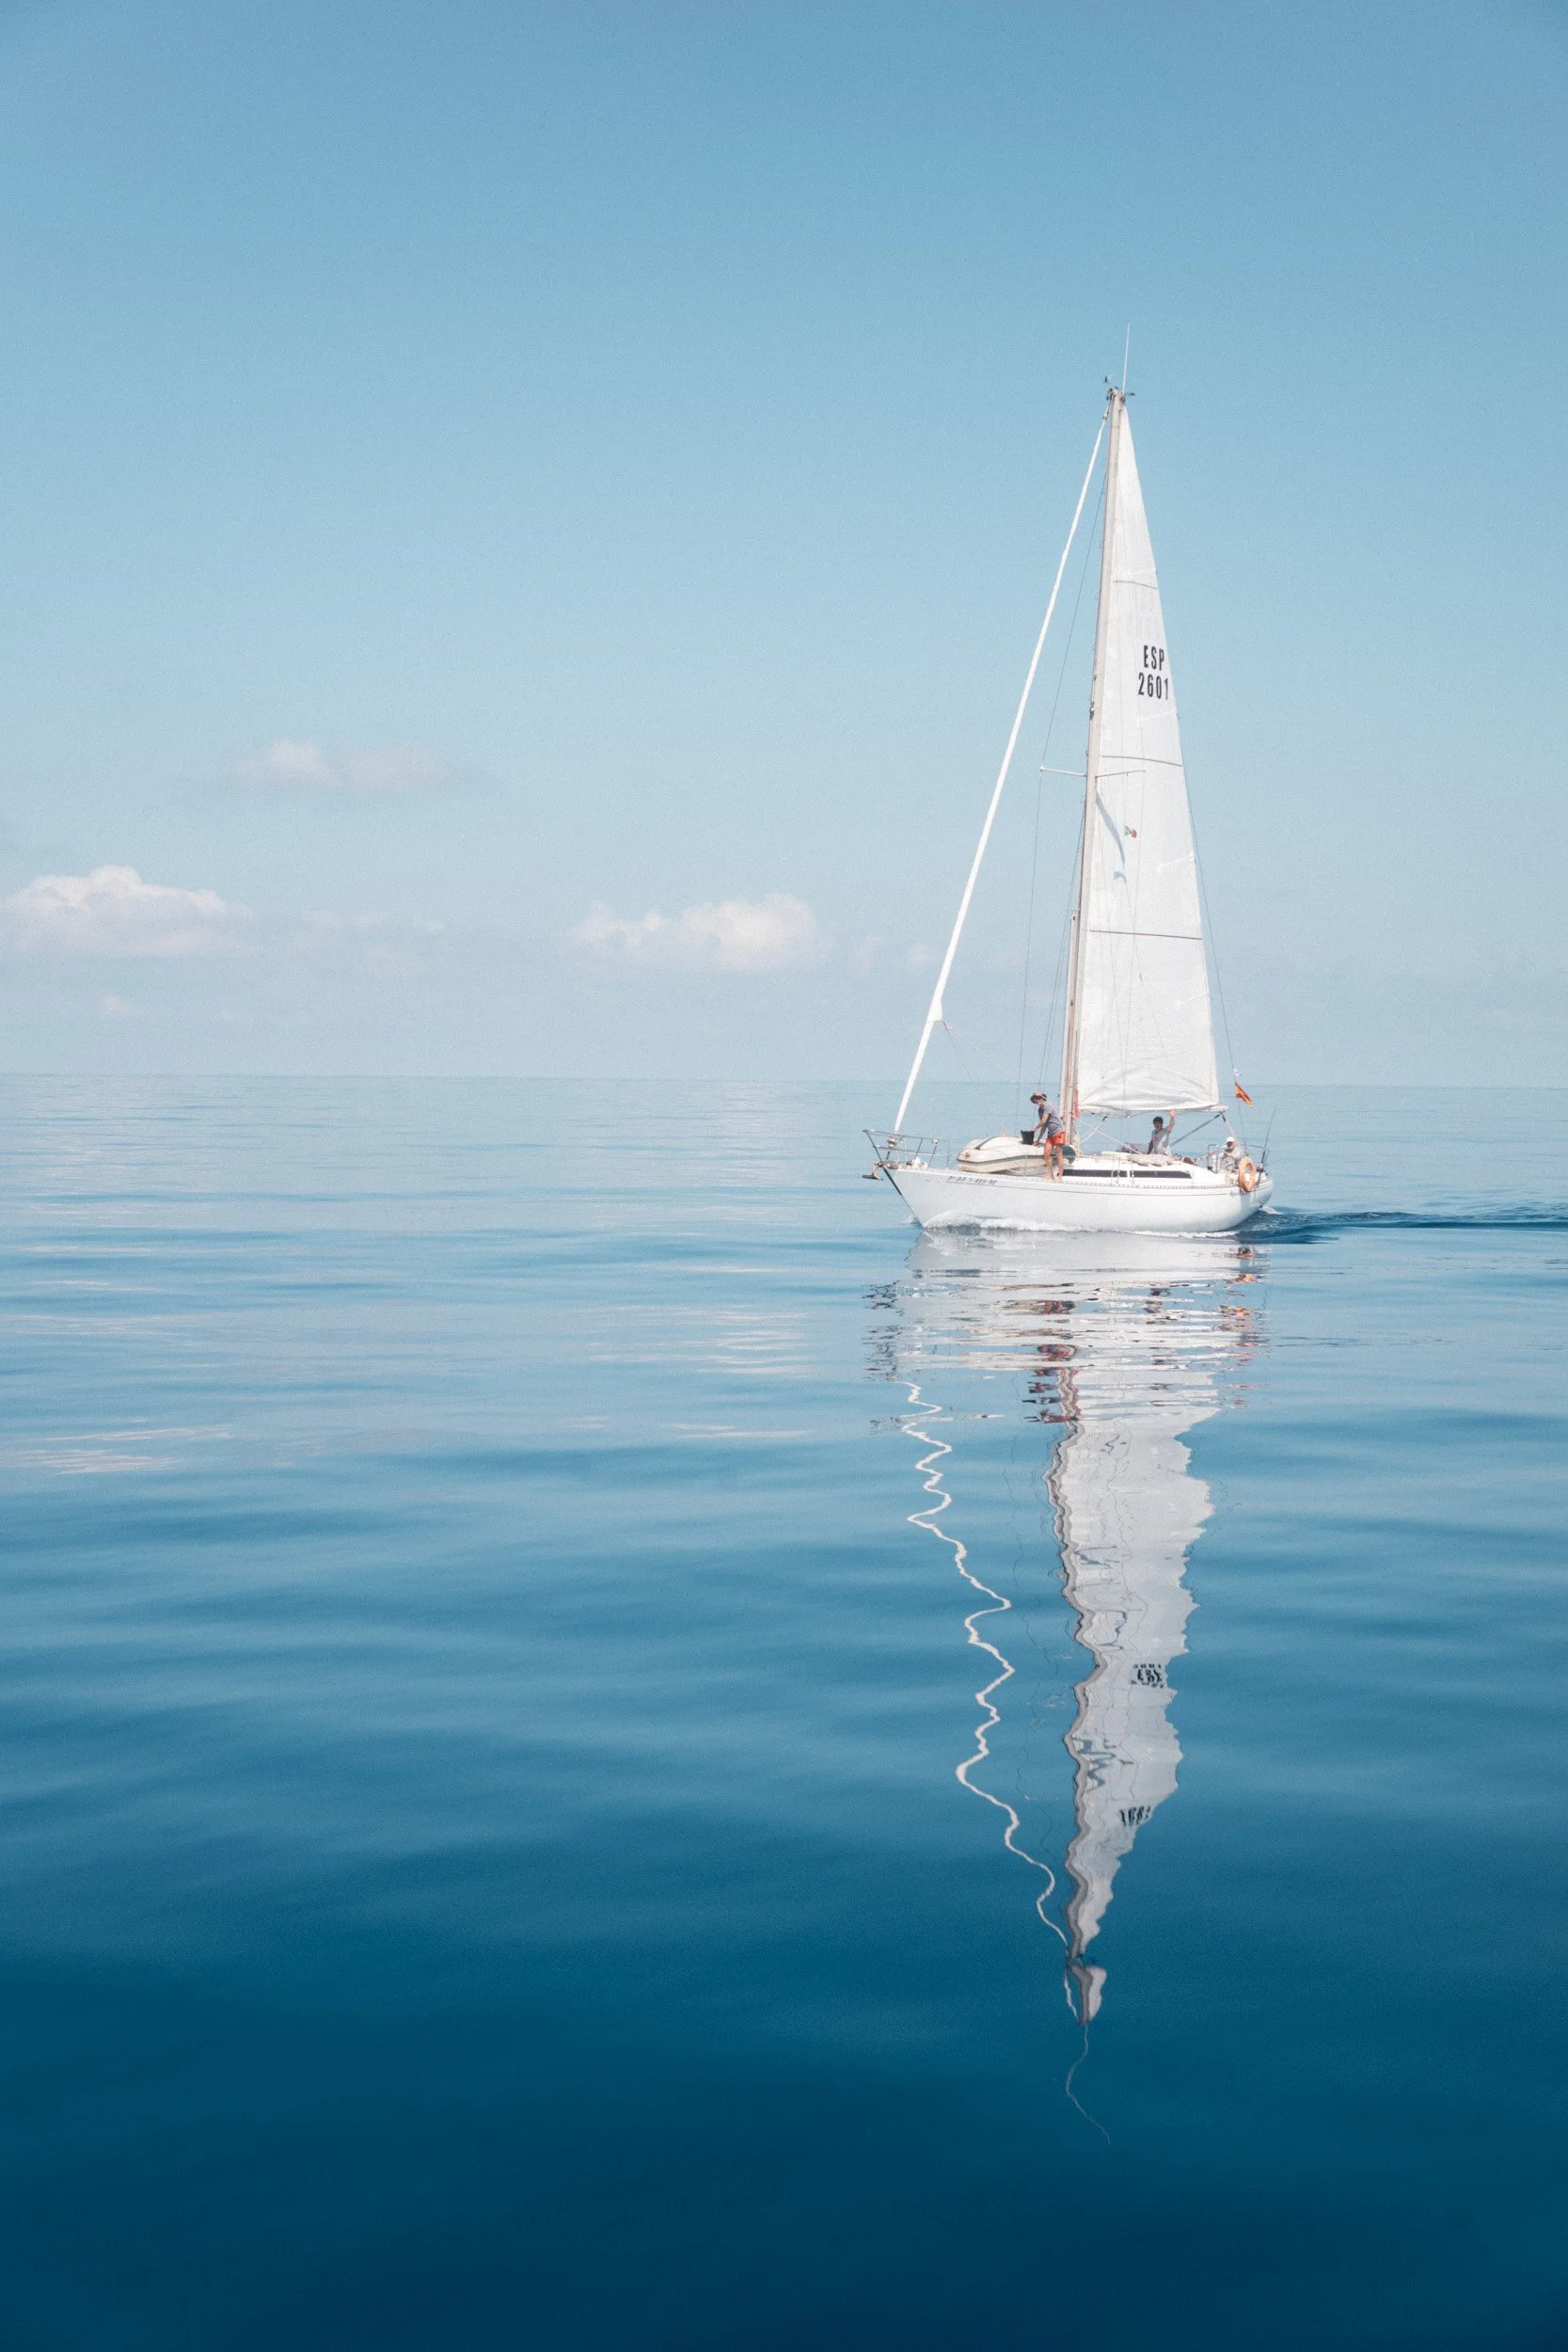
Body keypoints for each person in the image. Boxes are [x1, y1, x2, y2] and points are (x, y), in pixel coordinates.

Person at [1030, 1092, 1068, 1179]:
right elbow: (1044, 1125)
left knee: (1059, 1154)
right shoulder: (1040, 1110)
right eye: (1035, 1099)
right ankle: (1050, 1175)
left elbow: (1043, 1120)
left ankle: (1060, 1176)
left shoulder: (1047, 1106)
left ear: (1042, 1098)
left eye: (1038, 1098)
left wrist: (1035, 1128)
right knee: (1046, 1154)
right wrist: (1038, 1139)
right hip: (1050, 1134)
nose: (1037, 1100)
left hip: (1059, 1132)